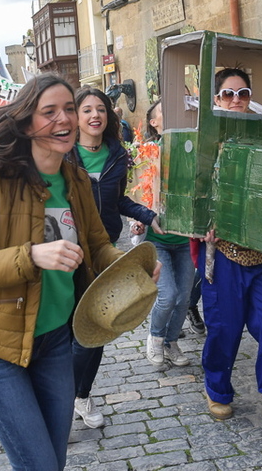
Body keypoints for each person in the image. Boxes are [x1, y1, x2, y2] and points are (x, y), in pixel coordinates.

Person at [0, 73, 129, 470]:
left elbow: (97, 246)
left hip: (56, 344)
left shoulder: (75, 178)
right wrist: (30, 255)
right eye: (49, 112)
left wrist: (132, 270)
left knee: (53, 462)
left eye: (68, 109)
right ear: (27, 123)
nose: (64, 119)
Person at [199, 68, 262, 430]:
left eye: (243, 93)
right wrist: (201, 225)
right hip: (222, 255)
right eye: (228, 94)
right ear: (215, 99)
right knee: (224, 331)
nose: (236, 100)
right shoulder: (204, 138)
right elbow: (189, 191)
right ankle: (218, 389)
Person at [70, 86, 159, 429]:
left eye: (101, 110)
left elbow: (119, 201)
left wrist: (149, 215)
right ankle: (63, 398)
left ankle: (81, 395)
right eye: (87, 110)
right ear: (75, 117)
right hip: (67, 252)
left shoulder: (117, 155)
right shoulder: (63, 155)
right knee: (68, 331)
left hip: (104, 249)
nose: (95, 116)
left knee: (97, 325)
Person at [135, 100, 194, 369]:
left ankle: (171, 342)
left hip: (185, 241)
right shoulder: (148, 154)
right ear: (154, 123)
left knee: (184, 297)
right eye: (165, 113)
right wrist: (136, 221)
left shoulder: (193, 152)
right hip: (157, 240)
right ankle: (156, 338)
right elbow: (135, 193)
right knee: (168, 295)